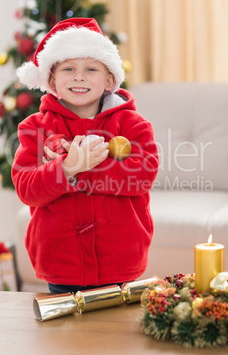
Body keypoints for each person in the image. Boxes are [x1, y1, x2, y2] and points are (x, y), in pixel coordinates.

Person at [12, 18, 159, 294]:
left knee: (116, 333)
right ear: (52, 79)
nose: (79, 76)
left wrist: (87, 167)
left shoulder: (133, 124)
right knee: (67, 335)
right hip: (60, 260)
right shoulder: (35, 127)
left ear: (109, 79)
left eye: (91, 68)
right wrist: (66, 169)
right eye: (68, 68)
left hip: (120, 258)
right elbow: (26, 188)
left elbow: (143, 175)